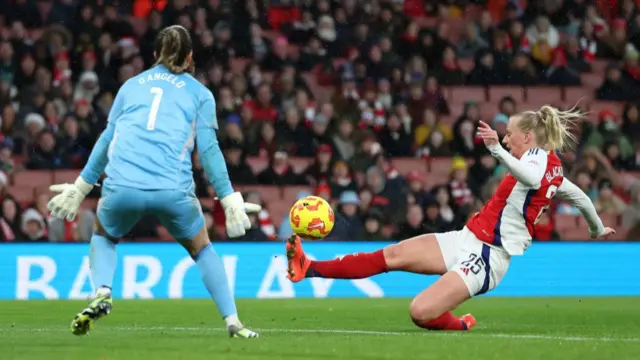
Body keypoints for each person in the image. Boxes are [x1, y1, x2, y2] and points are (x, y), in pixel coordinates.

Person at [285, 105, 616, 331]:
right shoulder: (549, 165)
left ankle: (459, 324)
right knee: (393, 255)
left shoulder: (535, 161)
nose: (504, 139)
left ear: (527, 138)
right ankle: (309, 267)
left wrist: (497, 153)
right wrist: (596, 227)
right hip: (467, 237)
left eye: (509, 134)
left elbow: (530, 177)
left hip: (489, 257)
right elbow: (582, 198)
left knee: (420, 312)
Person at [47, 26, 259, 338]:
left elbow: (108, 139)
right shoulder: (201, 94)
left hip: (121, 187)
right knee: (202, 249)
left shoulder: (130, 86)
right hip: (172, 190)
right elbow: (210, 149)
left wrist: (81, 186)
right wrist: (227, 198)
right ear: (189, 57)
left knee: (104, 237)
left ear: (155, 54)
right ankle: (233, 322)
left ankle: (102, 291)